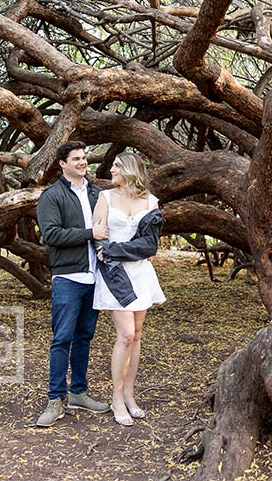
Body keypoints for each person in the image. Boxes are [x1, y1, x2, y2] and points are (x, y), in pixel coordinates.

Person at [34, 141, 111, 427]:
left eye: (84, 157)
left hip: (94, 276)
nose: (82, 162)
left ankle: (78, 393)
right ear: (62, 164)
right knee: (62, 338)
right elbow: (52, 235)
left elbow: (109, 227)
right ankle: (55, 399)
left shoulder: (95, 192)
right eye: (76, 158)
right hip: (68, 277)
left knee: (84, 337)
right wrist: (91, 233)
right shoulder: (51, 196)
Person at [92, 152, 166, 426]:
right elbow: (99, 240)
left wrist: (120, 250)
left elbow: (151, 244)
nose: (111, 169)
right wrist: (121, 252)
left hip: (141, 274)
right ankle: (116, 398)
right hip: (115, 275)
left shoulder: (152, 201)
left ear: (131, 170)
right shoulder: (106, 198)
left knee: (137, 336)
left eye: (117, 166)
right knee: (126, 335)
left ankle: (129, 394)